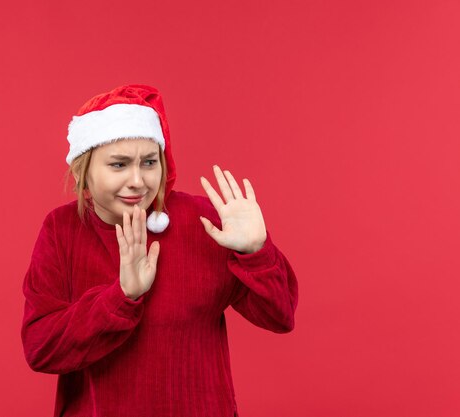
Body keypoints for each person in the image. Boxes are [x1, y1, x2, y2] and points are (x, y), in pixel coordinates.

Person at [20, 84, 299, 417]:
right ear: (83, 171)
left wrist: (257, 252)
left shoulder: (205, 222)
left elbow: (280, 316)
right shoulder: (62, 229)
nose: (138, 181)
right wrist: (121, 297)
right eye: (119, 165)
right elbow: (41, 349)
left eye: (149, 162)